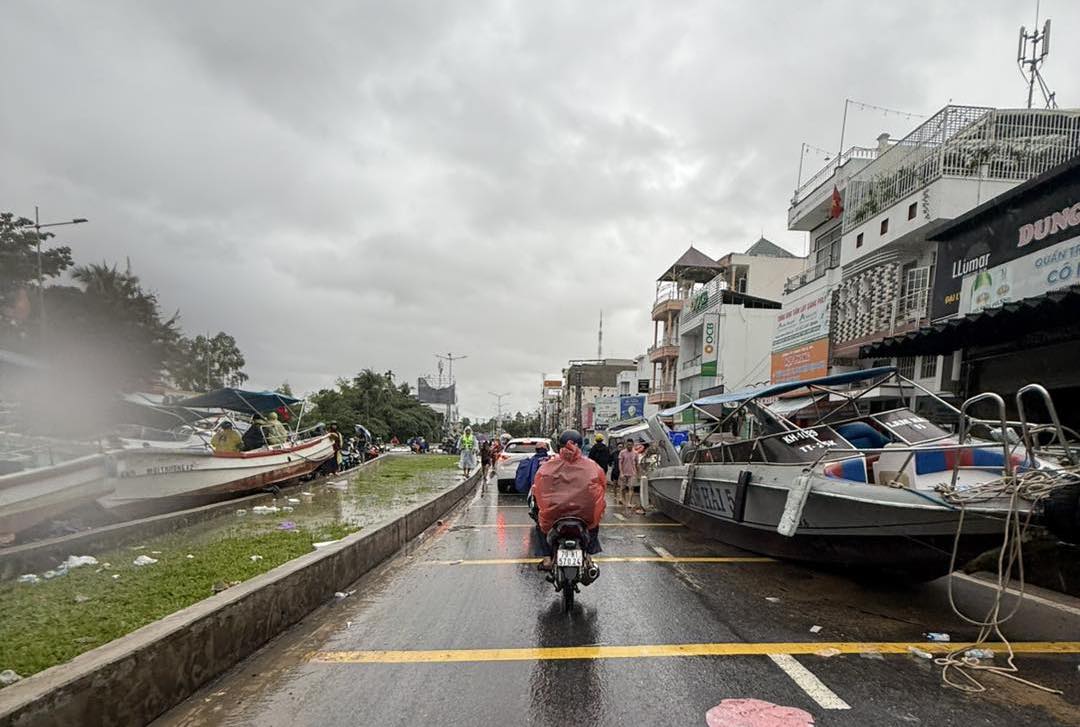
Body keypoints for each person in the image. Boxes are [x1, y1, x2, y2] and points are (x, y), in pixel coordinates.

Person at [531, 430, 607, 571]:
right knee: (594, 523)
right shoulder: (592, 466)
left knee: (540, 525)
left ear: (560, 445)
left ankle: (547, 559)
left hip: (554, 516)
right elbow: (602, 486)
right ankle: (589, 557)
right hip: (584, 516)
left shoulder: (549, 466)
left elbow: (539, 486)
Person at [617, 438, 639, 511]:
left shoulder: (635, 453)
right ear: (626, 445)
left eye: (630, 445)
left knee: (631, 488)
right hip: (624, 473)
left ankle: (629, 502)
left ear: (633, 445)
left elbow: (637, 464)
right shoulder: (622, 452)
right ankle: (623, 500)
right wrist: (621, 472)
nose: (629, 446)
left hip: (632, 473)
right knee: (623, 488)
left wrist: (638, 473)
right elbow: (620, 463)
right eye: (627, 444)